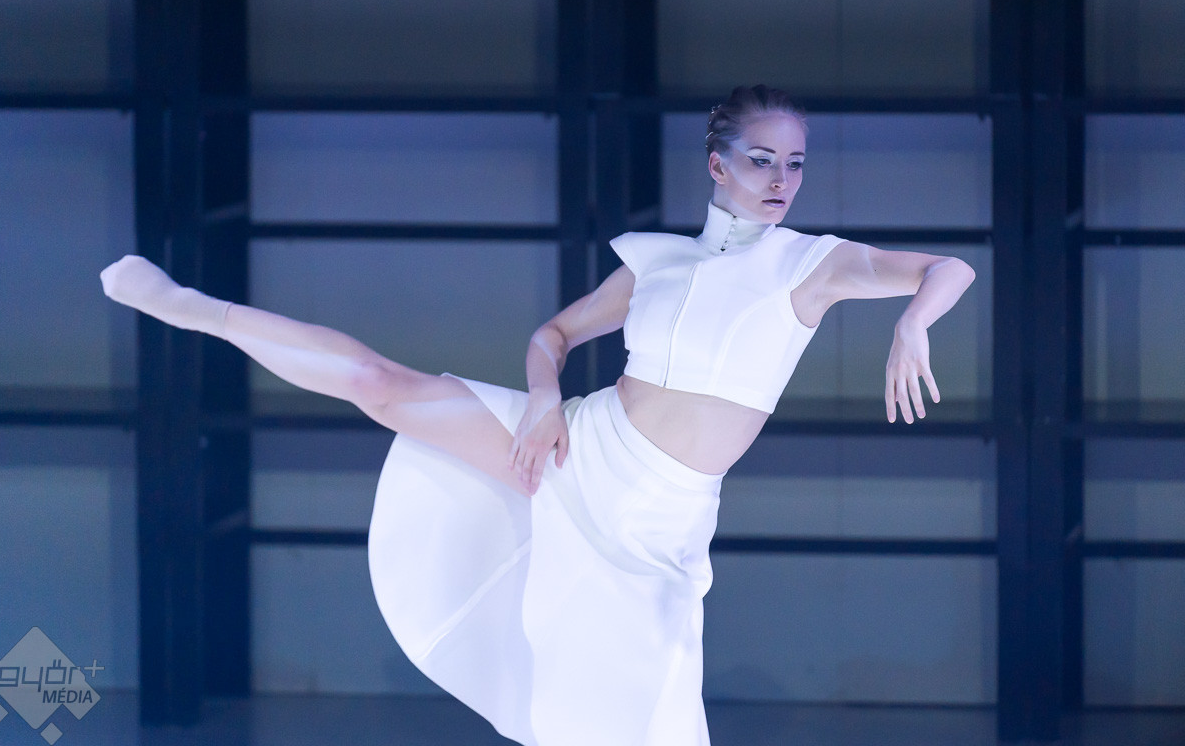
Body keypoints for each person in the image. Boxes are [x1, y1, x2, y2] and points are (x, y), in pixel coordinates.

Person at [100, 85, 975, 746]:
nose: (781, 180)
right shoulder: (656, 264)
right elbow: (550, 336)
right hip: (578, 445)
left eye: (795, 164)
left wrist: (912, 322)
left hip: (656, 525)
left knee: (636, 726)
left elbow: (949, 269)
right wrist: (547, 401)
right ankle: (190, 307)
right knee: (380, 384)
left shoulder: (813, 262)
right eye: (762, 160)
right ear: (718, 166)